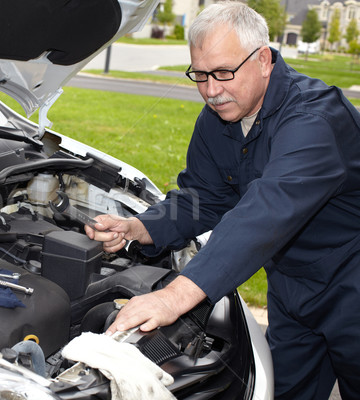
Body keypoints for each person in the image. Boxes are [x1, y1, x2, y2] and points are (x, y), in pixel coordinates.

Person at [85, 2, 360, 399]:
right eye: (200, 75)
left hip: (351, 279)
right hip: (292, 287)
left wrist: (175, 296)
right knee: (282, 390)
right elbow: (202, 197)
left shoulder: (314, 119)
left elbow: (265, 212)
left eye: (224, 73)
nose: (212, 91)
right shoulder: (219, 118)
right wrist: (141, 227)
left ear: (264, 60)